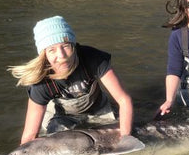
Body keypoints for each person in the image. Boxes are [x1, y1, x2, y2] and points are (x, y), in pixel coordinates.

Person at [9, 15, 134, 145]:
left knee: (122, 134)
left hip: (98, 108)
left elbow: (124, 100)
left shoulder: (94, 59)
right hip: (62, 116)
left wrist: (125, 140)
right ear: (44, 55)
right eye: (52, 50)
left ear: (74, 45)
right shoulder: (40, 83)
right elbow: (30, 135)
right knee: (53, 145)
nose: (61, 56)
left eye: (65, 46)